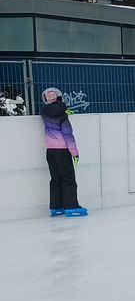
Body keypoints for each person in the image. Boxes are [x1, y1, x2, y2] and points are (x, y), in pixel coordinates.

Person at [40, 87, 87, 217]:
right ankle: (71, 207)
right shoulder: (63, 115)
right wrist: (74, 152)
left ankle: (56, 207)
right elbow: (68, 134)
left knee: (55, 179)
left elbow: (51, 111)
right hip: (62, 150)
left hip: (50, 150)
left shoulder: (43, 112)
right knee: (68, 178)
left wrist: (64, 111)